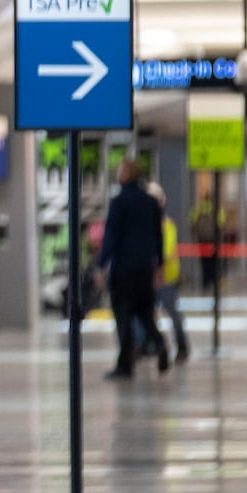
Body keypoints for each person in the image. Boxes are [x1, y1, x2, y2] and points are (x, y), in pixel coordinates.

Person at [97, 159, 169, 380]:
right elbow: (158, 236)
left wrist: (101, 266)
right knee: (145, 314)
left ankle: (125, 365)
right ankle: (160, 345)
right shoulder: (150, 202)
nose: (117, 174)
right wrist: (159, 266)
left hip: (123, 269)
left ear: (127, 174)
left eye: (120, 171)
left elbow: (112, 236)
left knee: (123, 316)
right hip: (145, 268)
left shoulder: (119, 202)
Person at [144, 182, 190, 364]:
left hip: (166, 277)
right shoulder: (148, 223)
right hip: (150, 276)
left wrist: (157, 266)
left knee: (172, 312)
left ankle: (182, 346)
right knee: (146, 314)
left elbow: (167, 250)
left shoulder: (167, 225)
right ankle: (148, 346)